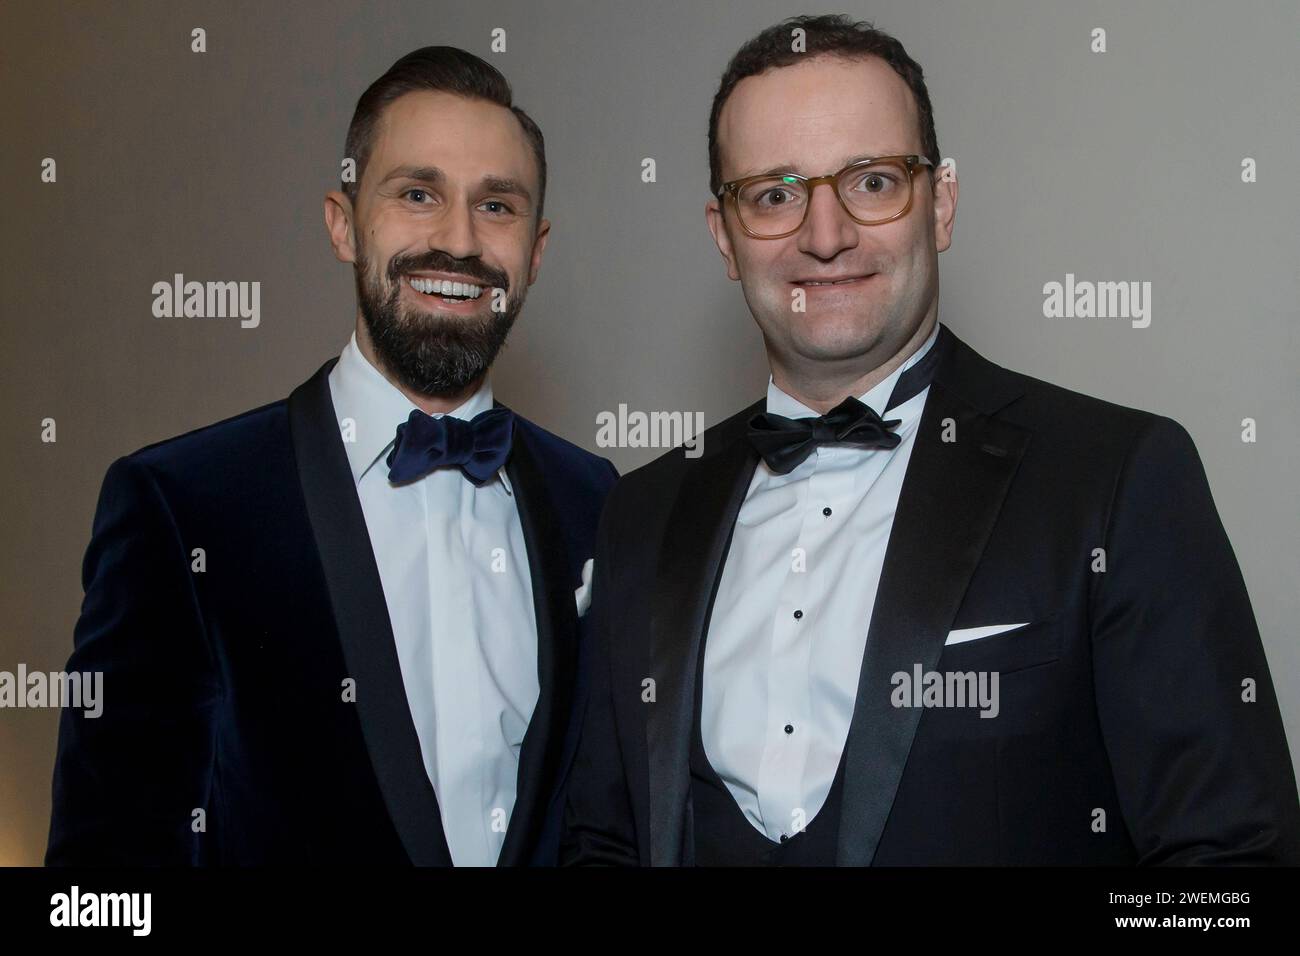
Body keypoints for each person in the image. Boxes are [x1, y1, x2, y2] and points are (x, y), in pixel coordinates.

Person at [562, 15, 1300, 865]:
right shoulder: (642, 513)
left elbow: (1232, 866)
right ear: (724, 236)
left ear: (940, 204)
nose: (826, 235)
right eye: (773, 194)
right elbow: (602, 841)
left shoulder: (1117, 480)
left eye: (872, 182)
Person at [47, 46, 615, 866]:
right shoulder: (183, 505)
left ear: (536, 249)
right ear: (343, 225)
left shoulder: (594, 498)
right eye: (417, 194)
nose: (457, 240)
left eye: (497, 206)